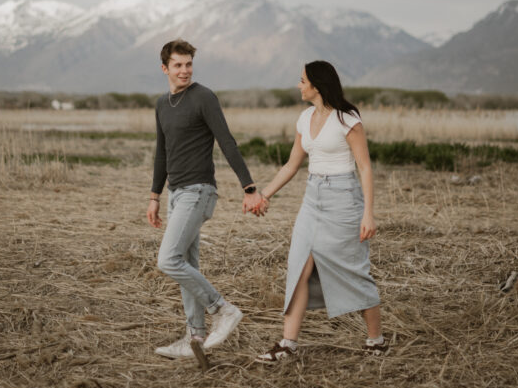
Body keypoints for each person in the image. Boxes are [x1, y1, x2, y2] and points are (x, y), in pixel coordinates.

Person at [253, 60, 386, 362]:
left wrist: (368, 213)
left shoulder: (346, 118)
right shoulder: (304, 118)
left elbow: (364, 167)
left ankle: (376, 340)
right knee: (299, 267)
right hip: (312, 199)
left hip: (343, 199)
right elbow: (292, 164)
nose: (298, 86)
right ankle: (288, 344)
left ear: (316, 84)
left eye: (302, 81)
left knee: (352, 269)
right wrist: (264, 195)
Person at [147, 39, 263, 359]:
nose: (184, 71)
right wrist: (155, 196)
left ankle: (222, 309)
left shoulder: (203, 97)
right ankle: (194, 338)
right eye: (178, 65)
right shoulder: (161, 104)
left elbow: (226, 141)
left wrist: (249, 187)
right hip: (175, 193)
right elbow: (162, 153)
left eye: (188, 64)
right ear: (165, 68)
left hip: (199, 191)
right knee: (186, 264)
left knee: (168, 260)